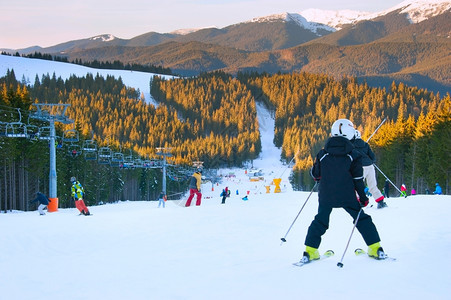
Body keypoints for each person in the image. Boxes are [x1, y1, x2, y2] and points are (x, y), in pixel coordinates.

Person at [301, 119, 386, 263]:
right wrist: (363, 198)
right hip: (347, 195)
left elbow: (316, 175)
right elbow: (358, 179)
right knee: (361, 219)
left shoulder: (323, 154)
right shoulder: (354, 155)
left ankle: (310, 250)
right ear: (351, 133)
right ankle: (375, 247)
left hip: (326, 195)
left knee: (321, 220)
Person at [351, 130, 387, 209]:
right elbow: (373, 157)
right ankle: (380, 202)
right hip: (370, 166)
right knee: (372, 186)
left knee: (356, 186)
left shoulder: (351, 145)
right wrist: (370, 161)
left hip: (360, 167)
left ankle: (358, 203)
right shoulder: (365, 144)